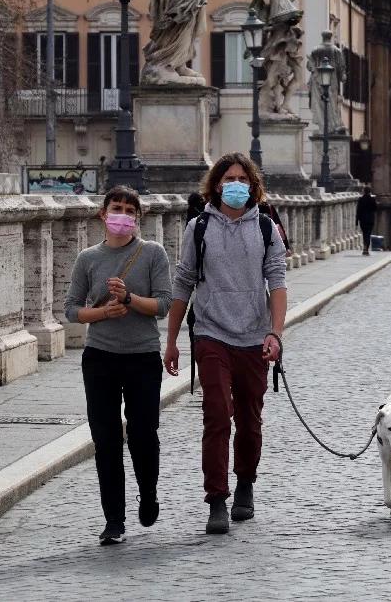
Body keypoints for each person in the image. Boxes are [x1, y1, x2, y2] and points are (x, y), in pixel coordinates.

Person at [163, 153, 288, 535]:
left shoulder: (266, 228)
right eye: (228, 177)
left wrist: (275, 334)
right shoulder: (198, 228)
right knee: (217, 413)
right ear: (216, 184)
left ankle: (245, 484)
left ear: (252, 185)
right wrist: (170, 340)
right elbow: (183, 282)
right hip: (211, 332)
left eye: (242, 178)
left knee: (250, 420)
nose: (235, 184)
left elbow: (278, 282)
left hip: (254, 336)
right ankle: (216, 498)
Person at [63, 186, 172, 546]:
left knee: (143, 433)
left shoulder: (153, 253)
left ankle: (149, 492)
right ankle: (113, 520)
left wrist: (129, 298)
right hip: (100, 358)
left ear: (137, 217)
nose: (122, 215)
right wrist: (103, 313)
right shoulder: (88, 258)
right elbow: (71, 310)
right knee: (106, 440)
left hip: (142, 357)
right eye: (116, 208)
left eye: (129, 210)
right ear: (103, 214)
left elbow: (163, 305)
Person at [356, 186, 378, 255]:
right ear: (370, 192)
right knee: (368, 234)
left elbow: (358, 210)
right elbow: (375, 208)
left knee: (364, 234)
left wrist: (356, 220)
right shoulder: (372, 199)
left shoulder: (361, 199)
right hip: (370, 219)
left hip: (362, 219)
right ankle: (366, 249)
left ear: (364, 191)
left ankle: (365, 247)